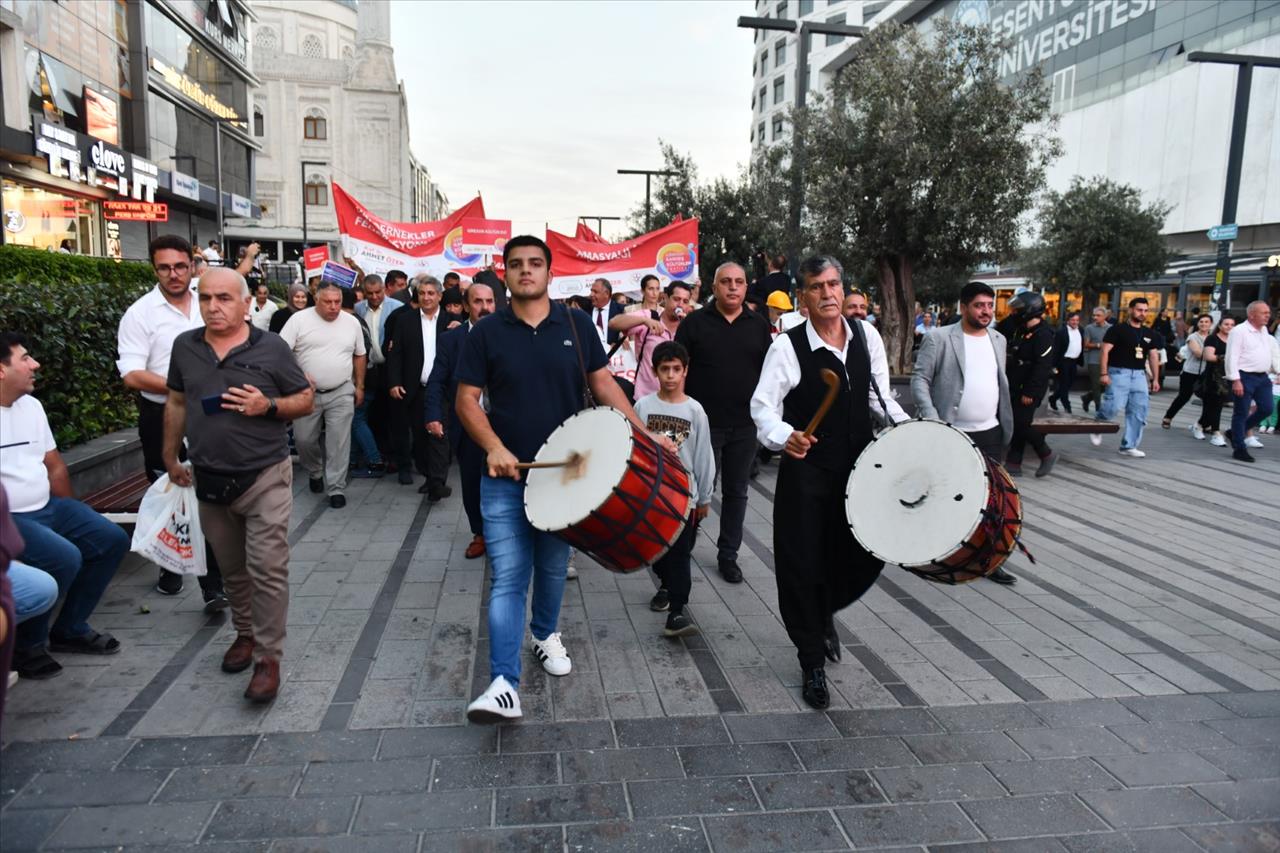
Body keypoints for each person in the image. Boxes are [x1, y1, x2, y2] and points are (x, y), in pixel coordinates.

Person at [456, 235, 658, 723]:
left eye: (535, 264)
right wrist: (494, 447)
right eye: (517, 265)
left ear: (549, 272)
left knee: (550, 570)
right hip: (505, 477)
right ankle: (503, 684)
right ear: (504, 274)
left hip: (567, 479)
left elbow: (603, 383)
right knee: (507, 578)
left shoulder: (575, 323)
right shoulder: (485, 334)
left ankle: (544, 634)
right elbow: (465, 400)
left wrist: (643, 435)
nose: (526, 271)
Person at [750, 255, 906, 710]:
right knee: (802, 564)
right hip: (808, 474)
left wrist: (913, 433)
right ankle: (811, 659)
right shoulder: (787, 346)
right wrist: (786, 436)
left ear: (843, 288)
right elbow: (762, 409)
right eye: (817, 287)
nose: (827, 294)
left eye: (834, 284)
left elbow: (881, 398)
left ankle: (823, 614)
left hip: (861, 471)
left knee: (863, 554)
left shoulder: (866, 335)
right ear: (803, 296)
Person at [164, 267, 314, 703]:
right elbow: (176, 401)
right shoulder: (185, 347)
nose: (214, 306)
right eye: (207, 297)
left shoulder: (272, 347)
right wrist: (171, 456)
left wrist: (267, 405)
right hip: (209, 477)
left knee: (267, 568)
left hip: (264, 475)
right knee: (232, 570)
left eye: (225, 298)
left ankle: (268, 659)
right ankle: (245, 634)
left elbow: (305, 399)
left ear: (247, 303)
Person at [2, 332, 129, 680]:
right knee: (63, 557)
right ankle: (27, 645)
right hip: (8, 519)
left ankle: (69, 628)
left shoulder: (31, 406)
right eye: (25, 358)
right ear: (1, 370)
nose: (35, 364)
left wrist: (73, 512)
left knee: (110, 539)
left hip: (47, 506)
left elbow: (54, 464)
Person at [116, 234, 227, 607]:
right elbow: (132, 374)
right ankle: (171, 562)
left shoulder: (208, 302)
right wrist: (181, 388)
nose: (173, 274)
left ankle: (213, 588)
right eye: (164, 267)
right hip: (161, 414)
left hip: (211, 411)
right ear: (154, 269)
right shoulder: (140, 313)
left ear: (192, 266)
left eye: (180, 266)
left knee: (209, 494)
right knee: (171, 492)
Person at [910, 282, 1018, 585]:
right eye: (979, 305)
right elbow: (920, 380)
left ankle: (989, 559)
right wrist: (932, 418)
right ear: (964, 307)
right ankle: (940, 553)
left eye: (989, 305)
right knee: (947, 494)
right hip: (952, 432)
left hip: (990, 431)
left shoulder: (998, 338)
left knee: (994, 500)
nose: (986, 311)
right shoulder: (939, 338)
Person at [675, 262, 774, 584]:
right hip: (702, 427)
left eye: (739, 282)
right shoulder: (693, 323)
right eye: (726, 282)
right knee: (696, 489)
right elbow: (676, 369)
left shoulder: (758, 326)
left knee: (737, 492)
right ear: (714, 287)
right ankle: (682, 545)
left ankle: (728, 555)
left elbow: (770, 377)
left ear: (746, 288)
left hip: (745, 427)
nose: (733, 287)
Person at [636, 341, 714, 638]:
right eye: (664, 369)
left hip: (685, 496)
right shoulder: (643, 407)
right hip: (651, 495)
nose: (670, 375)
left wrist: (704, 496)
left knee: (681, 552)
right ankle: (666, 585)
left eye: (676, 369)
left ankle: (678, 611)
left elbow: (704, 455)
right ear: (655, 372)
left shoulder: (695, 411)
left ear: (685, 371)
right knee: (657, 552)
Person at [279, 282, 367, 508]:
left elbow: (360, 355)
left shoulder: (351, 322)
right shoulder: (299, 320)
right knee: (304, 439)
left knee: (338, 441)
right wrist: (294, 377)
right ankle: (315, 470)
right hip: (305, 393)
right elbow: (279, 352)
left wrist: (359, 386)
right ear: (315, 299)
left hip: (341, 390)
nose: (333, 307)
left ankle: (336, 487)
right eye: (327, 302)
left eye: (337, 302)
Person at [425, 283, 495, 559]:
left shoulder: (509, 336)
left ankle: (509, 533)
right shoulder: (450, 341)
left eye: (489, 301)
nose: (485, 307)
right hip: (468, 424)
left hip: (505, 424)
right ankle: (480, 533)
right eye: (477, 301)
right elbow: (437, 380)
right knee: (472, 481)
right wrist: (432, 415)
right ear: (466, 306)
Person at [385, 277, 452, 498]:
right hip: (416, 390)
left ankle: (437, 481)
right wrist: (394, 382)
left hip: (443, 391)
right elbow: (396, 355)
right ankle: (429, 475)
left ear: (440, 296)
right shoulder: (405, 321)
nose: (426, 297)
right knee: (420, 439)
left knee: (439, 436)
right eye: (422, 293)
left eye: (431, 293)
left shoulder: (452, 321)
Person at [1090, 297, 1160, 457]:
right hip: (1119, 372)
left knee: (1139, 411)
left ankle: (1128, 446)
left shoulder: (1149, 333)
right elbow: (1105, 351)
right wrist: (1103, 373)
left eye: (1145, 310)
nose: (1142, 313)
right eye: (1139, 310)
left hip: (1139, 376)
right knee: (1113, 406)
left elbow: (1153, 356)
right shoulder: (1117, 329)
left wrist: (1155, 378)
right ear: (1130, 310)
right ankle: (1098, 423)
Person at [1003, 292, 1057, 479]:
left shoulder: (1044, 334)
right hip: (1015, 384)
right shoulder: (1023, 330)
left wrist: (1031, 392)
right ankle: (1013, 463)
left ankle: (1046, 453)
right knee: (1018, 423)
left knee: (1021, 423)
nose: (1014, 313)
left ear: (1029, 310)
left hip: (1029, 388)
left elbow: (1043, 366)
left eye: (1018, 309)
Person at [609, 281, 692, 399]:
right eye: (676, 299)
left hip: (677, 400)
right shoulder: (650, 316)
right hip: (646, 396)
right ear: (666, 298)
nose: (680, 305)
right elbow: (613, 323)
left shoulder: (689, 326)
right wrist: (644, 321)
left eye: (685, 301)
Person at [354, 274, 402, 466]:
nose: (374, 297)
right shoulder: (358, 309)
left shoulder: (396, 308)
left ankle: (394, 456)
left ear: (385, 289)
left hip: (390, 369)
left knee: (393, 414)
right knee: (373, 414)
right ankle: (378, 453)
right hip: (369, 369)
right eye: (369, 293)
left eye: (378, 292)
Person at [1224, 300, 1275, 463]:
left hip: (1262, 377)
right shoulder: (1239, 331)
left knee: (1267, 408)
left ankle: (1236, 432)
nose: (1268, 315)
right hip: (1244, 376)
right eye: (1264, 313)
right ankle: (1239, 448)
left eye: (1268, 312)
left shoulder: (1264, 331)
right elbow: (1231, 356)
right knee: (1241, 412)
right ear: (1252, 314)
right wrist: (1235, 380)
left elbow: (1270, 353)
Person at [1164, 313, 1212, 434]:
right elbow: (1197, 353)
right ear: (1197, 323)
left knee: (1209, 399)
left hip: (1207, 373)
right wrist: (1217, 356)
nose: (1204, 324)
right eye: (1201, 321)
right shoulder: (1192, 337)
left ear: (1211, 324)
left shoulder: (1213, 337)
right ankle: (1168, 417)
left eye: (1206, 322)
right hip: (1190, 372)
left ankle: (1205, 423)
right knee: (1184, 397)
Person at [1200, 316, 1235, 447]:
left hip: (1228, 376)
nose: (1229, 327)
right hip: (1213, 377)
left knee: (1212, 407)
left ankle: (1198, 425)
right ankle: (1216, 433)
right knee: (1216, 405)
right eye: (1226, 324)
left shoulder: (1234, 340)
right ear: (1220, 326)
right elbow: (1208, 356)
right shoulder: (1212, 338)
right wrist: (1227, 358)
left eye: (1232, 325)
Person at [1049, 311, 1083, 413]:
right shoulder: (1061, 332)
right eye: (1072, 320)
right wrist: (1053, 365)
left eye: (1077, 320)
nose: (1075, 322)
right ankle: (1067, 405)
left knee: (1070, 383)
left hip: (1074, 361)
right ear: (1068, 321)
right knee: (1064, 384)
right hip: (1063, 361)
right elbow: (1056, 349)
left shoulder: (1081, 330)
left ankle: (1053, 398)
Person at [1080, 307, 1111, 412]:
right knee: (1096, 385)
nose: (1095, 317)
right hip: (1094, 361)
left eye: (1098, 315)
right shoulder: (1089, 328)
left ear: (1105, 316)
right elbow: (1086, 344)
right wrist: (1099, 345)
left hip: (1108, 361)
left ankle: (1087, 397)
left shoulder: (1111, 328)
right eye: (1094, 315)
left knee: (1107, 385)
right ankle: (1099, 408)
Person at [587, 278, 623, 347]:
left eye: (595, 292)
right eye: (591, 291)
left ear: (606, 293)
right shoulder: (585, 310)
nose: (591, 294)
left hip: (614, 356)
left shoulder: (621, 310)